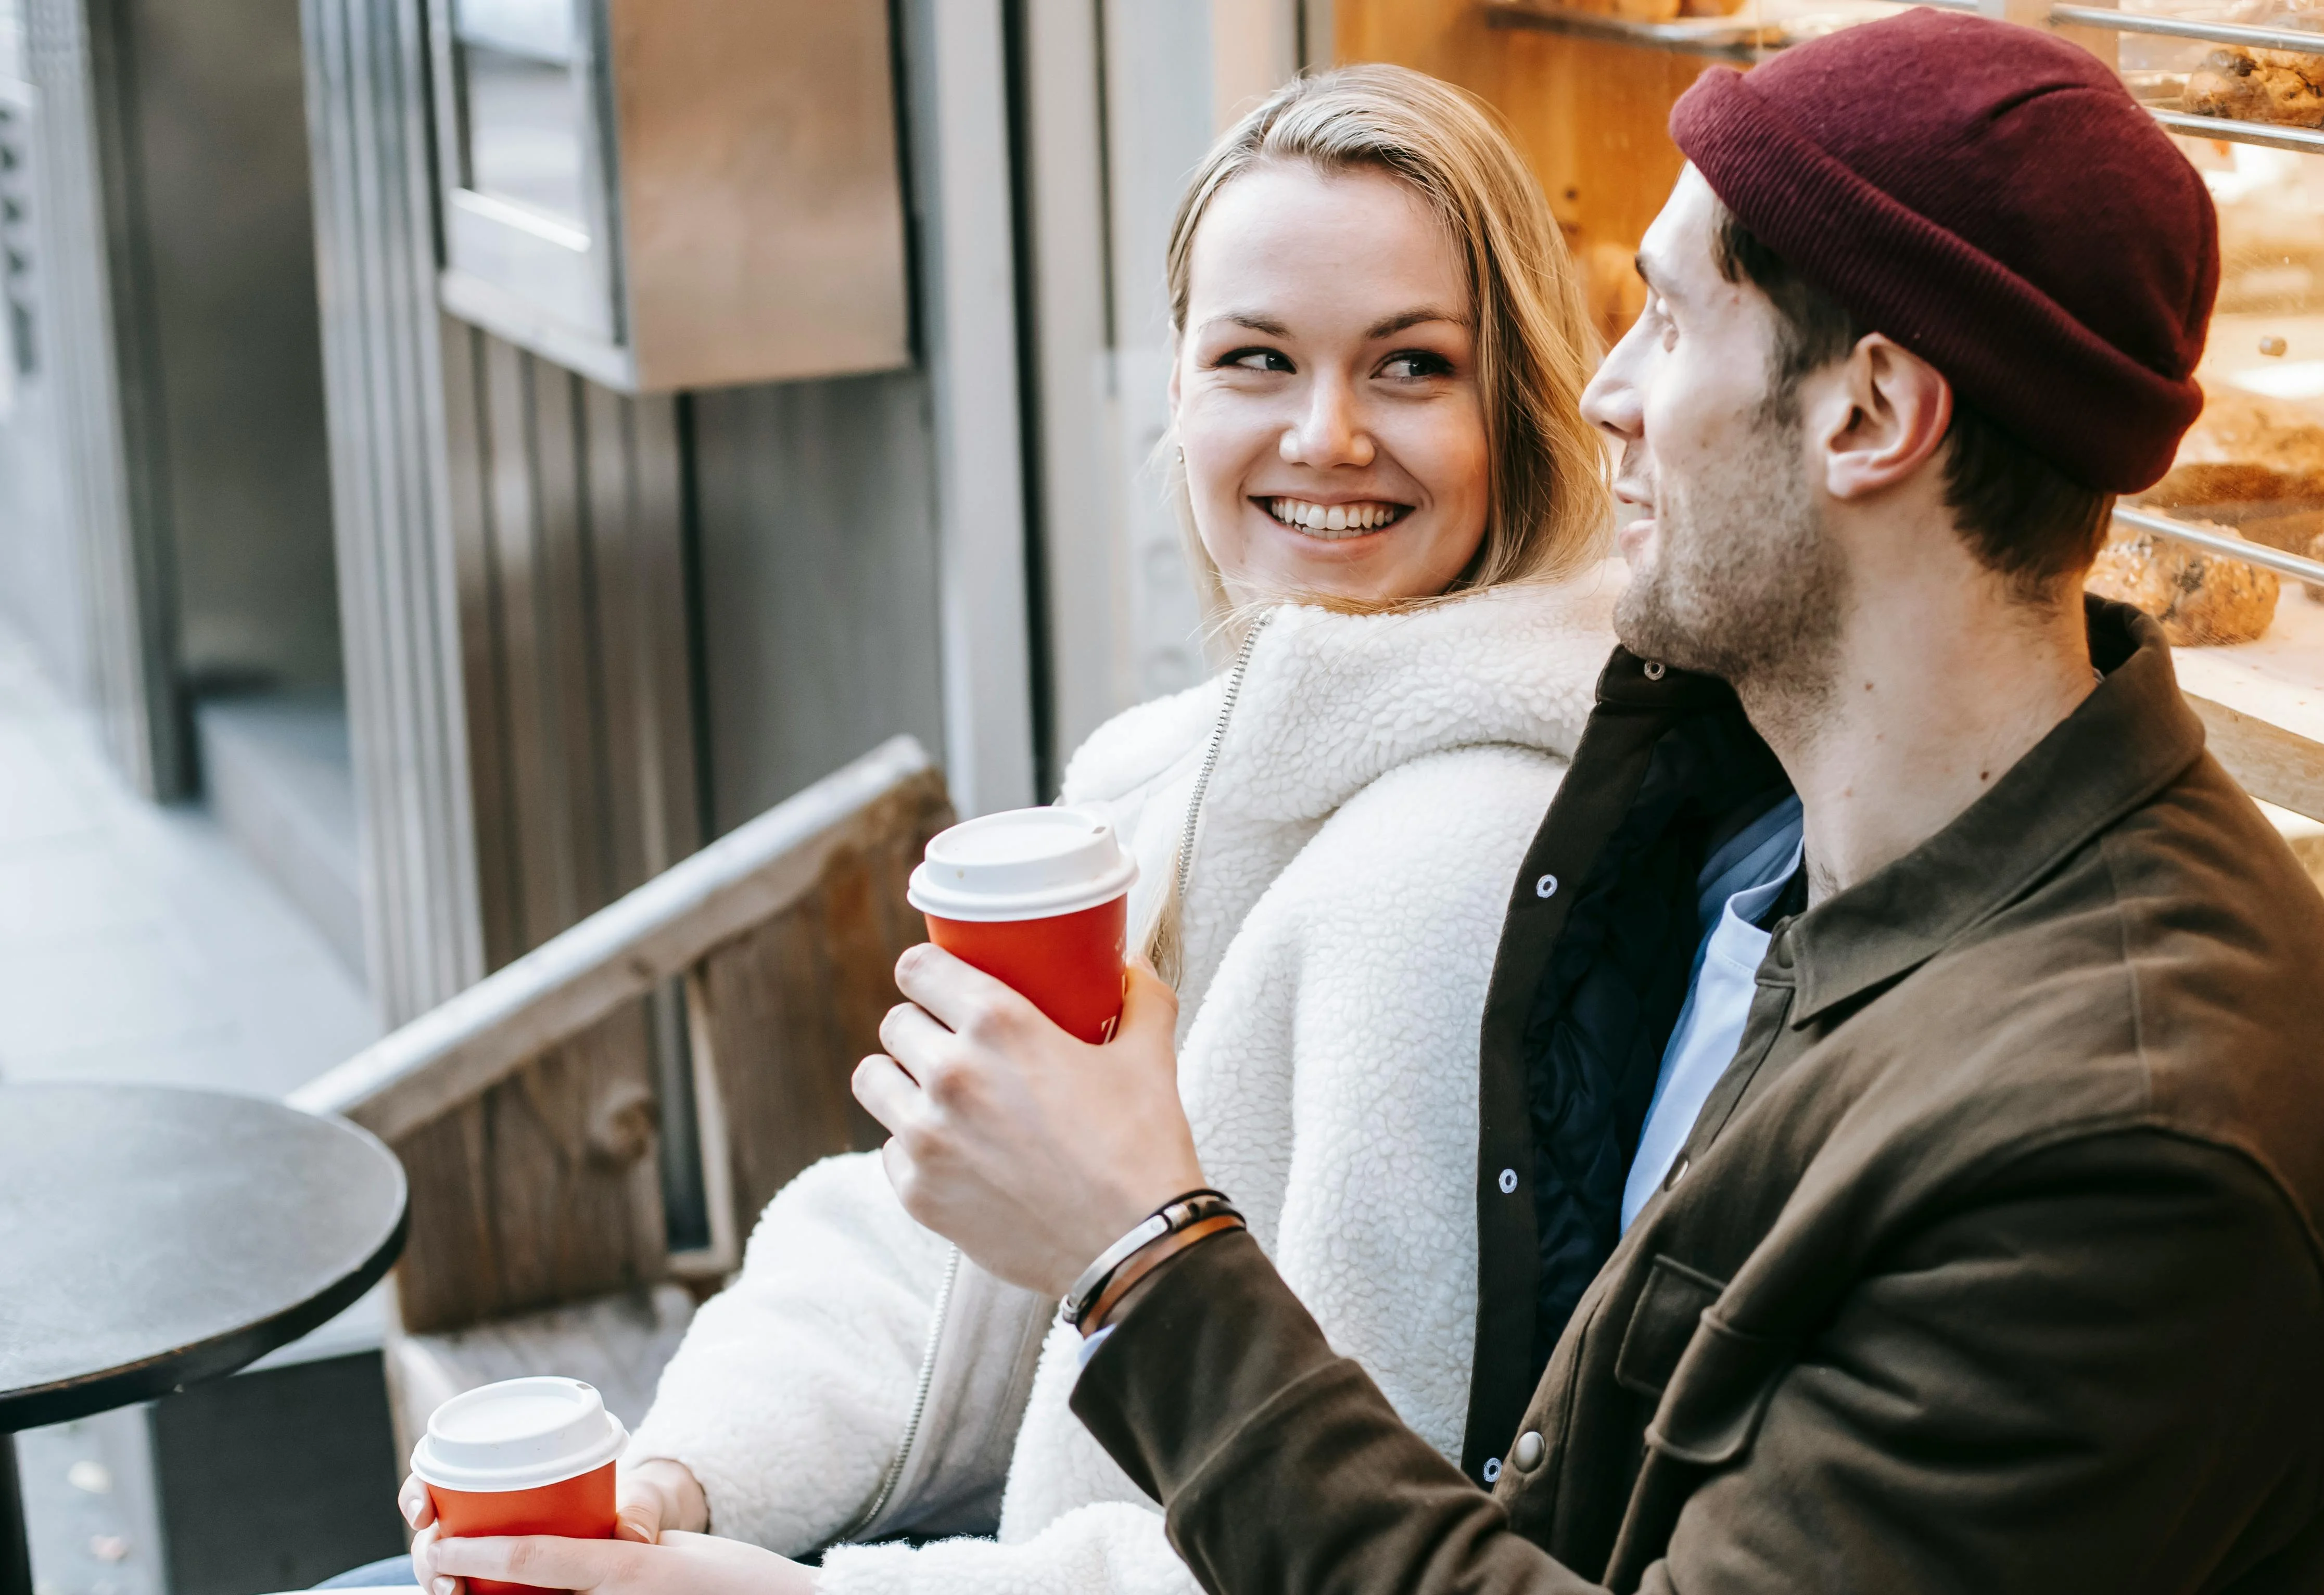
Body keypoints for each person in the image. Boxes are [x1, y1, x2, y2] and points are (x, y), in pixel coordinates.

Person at [822, 13, 2324, 1593]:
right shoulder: (1782, 864)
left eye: (1667, 319)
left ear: (1869, 414)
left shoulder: (2124, 1148)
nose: (1602, 398)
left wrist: (1141, 1255)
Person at [395, 63, 1614, 1595]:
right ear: (1175, 390)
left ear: (1518, 404)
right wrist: (677, 1475)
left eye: (1410, 367)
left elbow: (1339, 1528)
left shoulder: (1463, 867)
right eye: (1254, 358)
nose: (1325, 435)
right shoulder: (1159, 771)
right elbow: (934, 1250)